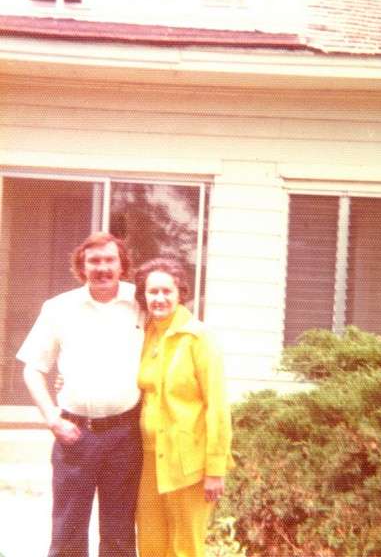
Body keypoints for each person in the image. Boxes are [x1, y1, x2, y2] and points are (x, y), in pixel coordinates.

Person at [17, 232, 144, 557]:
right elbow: (33, 369)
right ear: (82, 266)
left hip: (126, 435)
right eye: (94, 261)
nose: (102, 268)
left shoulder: (141, 303)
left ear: (122, 264)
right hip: (74, 434)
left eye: (110, 260)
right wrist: (52, 419)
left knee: (119, 534)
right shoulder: (59, 308)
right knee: (67, 533)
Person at [133, 257, 233, 557]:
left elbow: (217, 405)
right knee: (150, 544)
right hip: (148, 460)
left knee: (185, 549)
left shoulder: (198, 337)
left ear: (181, 294)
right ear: (143, 296)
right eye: (152, 292)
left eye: (167, 291)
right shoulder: (144, 334)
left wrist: (215, 468)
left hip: (189, 462)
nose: (159, 298)